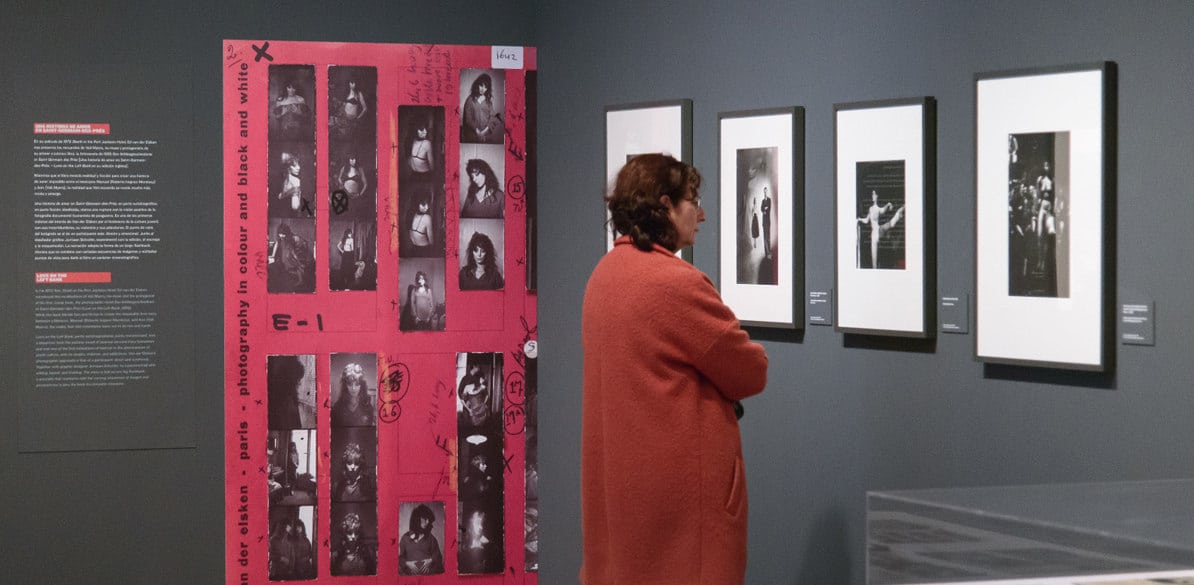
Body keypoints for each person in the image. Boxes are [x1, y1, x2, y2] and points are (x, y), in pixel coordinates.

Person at [581, 153, 768, 585]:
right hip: (681, 522)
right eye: (693, 200)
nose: (700, 214)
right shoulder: (676, 283)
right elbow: (750, 371)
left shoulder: (602, 277)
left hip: (625, 507)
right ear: (665, 205)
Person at [857, 190, 905, 269]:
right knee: (891, 224)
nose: (872, 195)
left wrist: (888, 204)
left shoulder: (878, 209)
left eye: (874, 194)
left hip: (876, 233)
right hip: (879, 231)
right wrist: (860, 219)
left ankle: (899, 212)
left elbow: (883, 210)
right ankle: (900, 211)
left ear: (877, 196)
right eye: (872, 194)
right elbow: (866, 220)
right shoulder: (871, 209)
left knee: (874, 261)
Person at [399, 504, 444, 575]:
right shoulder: (405, 538)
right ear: (417, 519)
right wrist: (407, 563)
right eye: (425, 519)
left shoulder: (431, 538)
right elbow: (400, 558)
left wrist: (431, 560)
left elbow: (438, 557)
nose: (428, 522)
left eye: (428, 520)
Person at [461, 72, 502, 144]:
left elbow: (493, 118)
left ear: (487, 88)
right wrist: (477, 131)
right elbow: (468, 119)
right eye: (481, 85)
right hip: (472, 136)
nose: (483, 89)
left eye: (485, 87)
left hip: (486, 136)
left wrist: (484, 132)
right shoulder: (470, 99)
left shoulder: (488, 102)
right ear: (477, 85)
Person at [331, 512, 376, 576]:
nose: (353, 536)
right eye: (349, 533)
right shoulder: (335, 555)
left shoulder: (367, 552)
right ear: (344, 535)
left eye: (356, 533)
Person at [332, 362, 375, 427]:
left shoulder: (368, 408)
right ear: (345, 385)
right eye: (350, 384)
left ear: (362, 385)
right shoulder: (337, 408)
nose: (353, 388)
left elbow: (368, 432)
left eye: (357, 384)